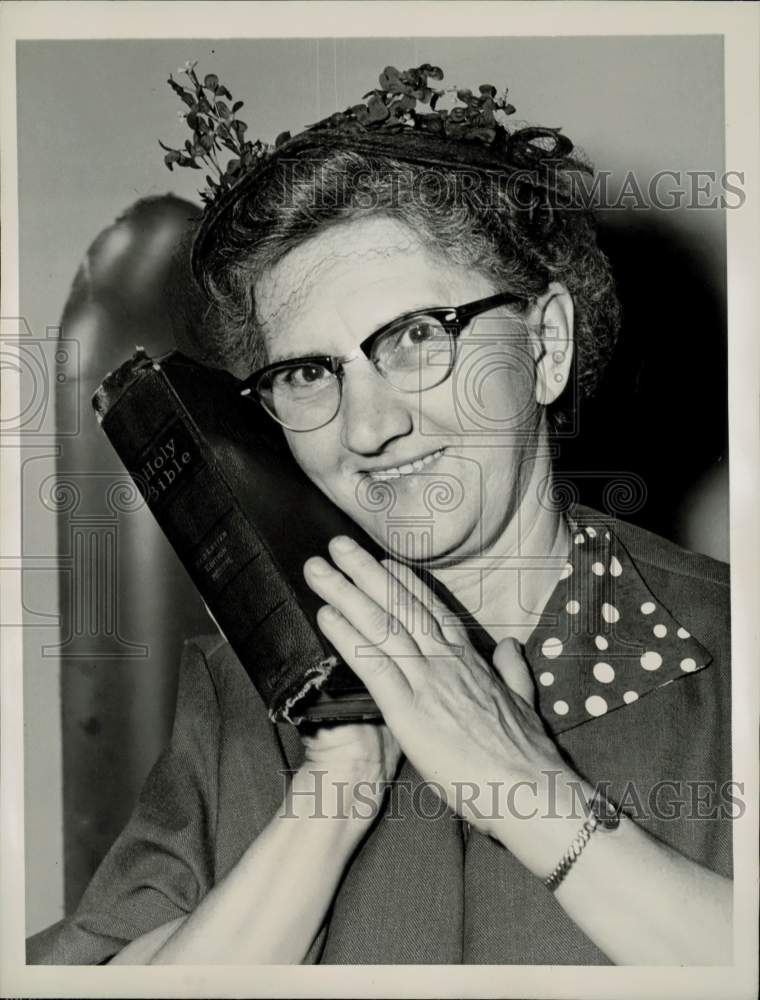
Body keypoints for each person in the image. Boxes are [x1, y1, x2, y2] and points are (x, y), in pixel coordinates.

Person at [28, 62, 733, 966]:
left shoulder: (728, 659)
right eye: (309, 373)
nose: (369, 427)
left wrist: (526, 786)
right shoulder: (247, 693)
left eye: (414, 338)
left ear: (547, 346)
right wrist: (331, 800)